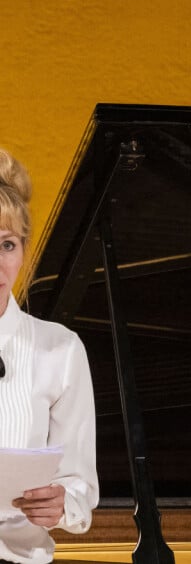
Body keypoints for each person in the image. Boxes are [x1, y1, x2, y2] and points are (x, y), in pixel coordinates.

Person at [0, 148, 98, 564]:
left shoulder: (59, 349)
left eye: (6, 244)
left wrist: (62, 504)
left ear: (23, 250)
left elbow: (79, 485)